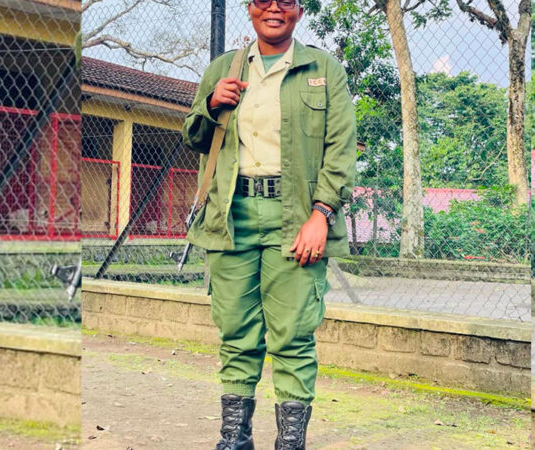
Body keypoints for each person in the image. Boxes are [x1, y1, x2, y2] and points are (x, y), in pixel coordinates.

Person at [182, 0, 356, 448]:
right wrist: (210, 103)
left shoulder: (324, 69)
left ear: (300, 10)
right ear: (249, 8)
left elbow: (340, 151)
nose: (274, 8)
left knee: (292, 336)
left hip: (295, 217)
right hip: (231, 215)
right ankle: (234, 440)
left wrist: (322, 214)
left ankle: (289, 443)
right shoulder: (224, 67)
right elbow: (193, 137)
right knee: (237, 334)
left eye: (286, 0)